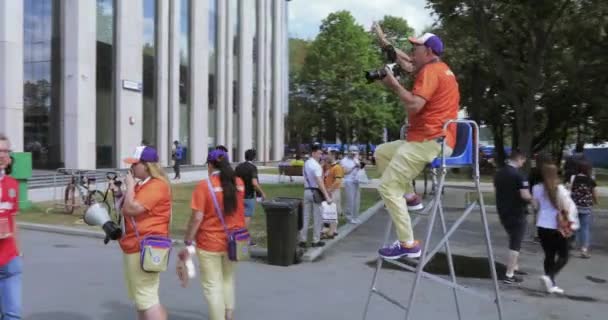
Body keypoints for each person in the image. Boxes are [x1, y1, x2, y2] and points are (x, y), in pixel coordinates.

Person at [372, 24, 460, 259]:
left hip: (430, 141)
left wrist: (394, 86)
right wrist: (384, 42)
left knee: (388, 187)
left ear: (429, 52)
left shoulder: (431, 72)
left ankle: (408, 244)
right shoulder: (436, 68)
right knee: (382, 152)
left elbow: (414, 104)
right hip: (428, 139)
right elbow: (404, 61)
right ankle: (410, 197)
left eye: (416, 47)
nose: (411, 52)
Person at [179, 149, 245, 320]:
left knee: (212, 285)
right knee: (228, 279)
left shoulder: (204, 186)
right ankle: (228, 315)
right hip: (235, 241)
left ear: (210, 165)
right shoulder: (239, 183)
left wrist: (188, 238)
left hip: (210, 243)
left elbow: (197, 218)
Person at [120, 146, 172, 319]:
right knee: (143, 300)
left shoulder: (157, 185)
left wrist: (129, 187)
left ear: (147, 165)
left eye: (135, 164)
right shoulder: (146, 184)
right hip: (139, 245)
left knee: (148, 300)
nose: (132, 168)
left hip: (145, 246)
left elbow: (131, 208)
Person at [493, 150, 532, 284]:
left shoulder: (499, 174)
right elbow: (525, 195)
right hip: (517, 212)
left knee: (513, 238)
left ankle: (514, 267)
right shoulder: (519, 176)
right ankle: (509, 275)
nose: (523, 163)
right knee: (515, 243)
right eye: (523, 161)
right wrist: (535, 201)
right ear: (519, 159)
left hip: (503, 211)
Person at [532, 164, 572, 294]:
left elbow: (535, 206)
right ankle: (549, 277)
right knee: (564, 256)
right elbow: (566, 207)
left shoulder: (536, 188)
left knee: (549, 255)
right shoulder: (560, 188)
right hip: (557, 227)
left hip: (542, 225)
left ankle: (550, 284)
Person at [0, 134, 22, 320]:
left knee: (12, 315)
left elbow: (13, 219)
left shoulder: (12, 184)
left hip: (9, 259)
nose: (3, 155)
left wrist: (18, 250)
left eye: (6, 151)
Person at [301, 144, 332, 248]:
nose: (321, 155)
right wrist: (326, 196)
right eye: (319, 153)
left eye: (321, 153)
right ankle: (315, 240)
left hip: (306, 191)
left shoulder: (306, 163)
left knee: (305, 217)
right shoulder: (316, 166)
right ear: (313, 153)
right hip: (315, 192)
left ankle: (303, 240)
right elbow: (319, 181)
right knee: (317, 217)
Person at [235, 149, 266, 242]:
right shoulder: (252, 168)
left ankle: (237, 236)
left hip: (238, 195)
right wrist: (262, 193)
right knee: (247, 216)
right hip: (248, 196)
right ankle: (243, 238)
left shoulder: (238, 167)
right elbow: (254, 183)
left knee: (239, 217)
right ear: (254, 157)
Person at [570, 160, 598, 258]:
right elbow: (594, 193)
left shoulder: (574, 178)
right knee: (585, 228)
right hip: (586, 206)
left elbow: (571, 190)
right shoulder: (591, 179)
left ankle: (569, 244)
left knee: (572, 225)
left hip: (574, 205)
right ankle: (584, 250)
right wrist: (595, 201)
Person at [322, 150, 344, 239]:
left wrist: (330, 190)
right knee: (328, 211)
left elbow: (338, 181)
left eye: (329, 155)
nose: (327, 156)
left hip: (333, 191)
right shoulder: (328, 167)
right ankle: (330, 230)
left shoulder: (337, 167)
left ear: (333, 155)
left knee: (332, 212)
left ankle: (332, 231)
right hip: (328, 191)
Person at [340, 146, 362, 224]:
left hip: (356, 181)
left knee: (356, 200)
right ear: (349, 152)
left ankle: (355, 216)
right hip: (348, 181)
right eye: (352, 153)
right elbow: (345, 172)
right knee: (350, 200)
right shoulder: (344, 161)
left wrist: (360, 167)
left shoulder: (356, 159)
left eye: (355, 153)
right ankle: (349, 217)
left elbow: (359, 170)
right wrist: (354, 167)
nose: (353, 155)